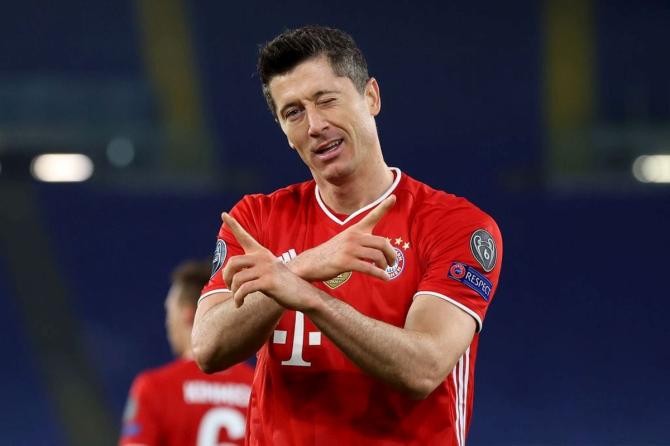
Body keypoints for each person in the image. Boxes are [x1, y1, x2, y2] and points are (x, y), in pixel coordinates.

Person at [192, 26, 503, 446]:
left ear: (371, 97)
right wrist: (302, 267)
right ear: (284, 131)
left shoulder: (455, 225)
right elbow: (208, 348)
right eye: (293, 112)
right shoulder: (256, 220)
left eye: (327, 100)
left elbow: (423, 369)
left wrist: (308, 296)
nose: (315, 125)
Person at [120, 260, 254, 446]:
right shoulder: (258, 388)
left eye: (169, 312)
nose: (167, 324)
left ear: (188, 314)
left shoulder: (154, 389)